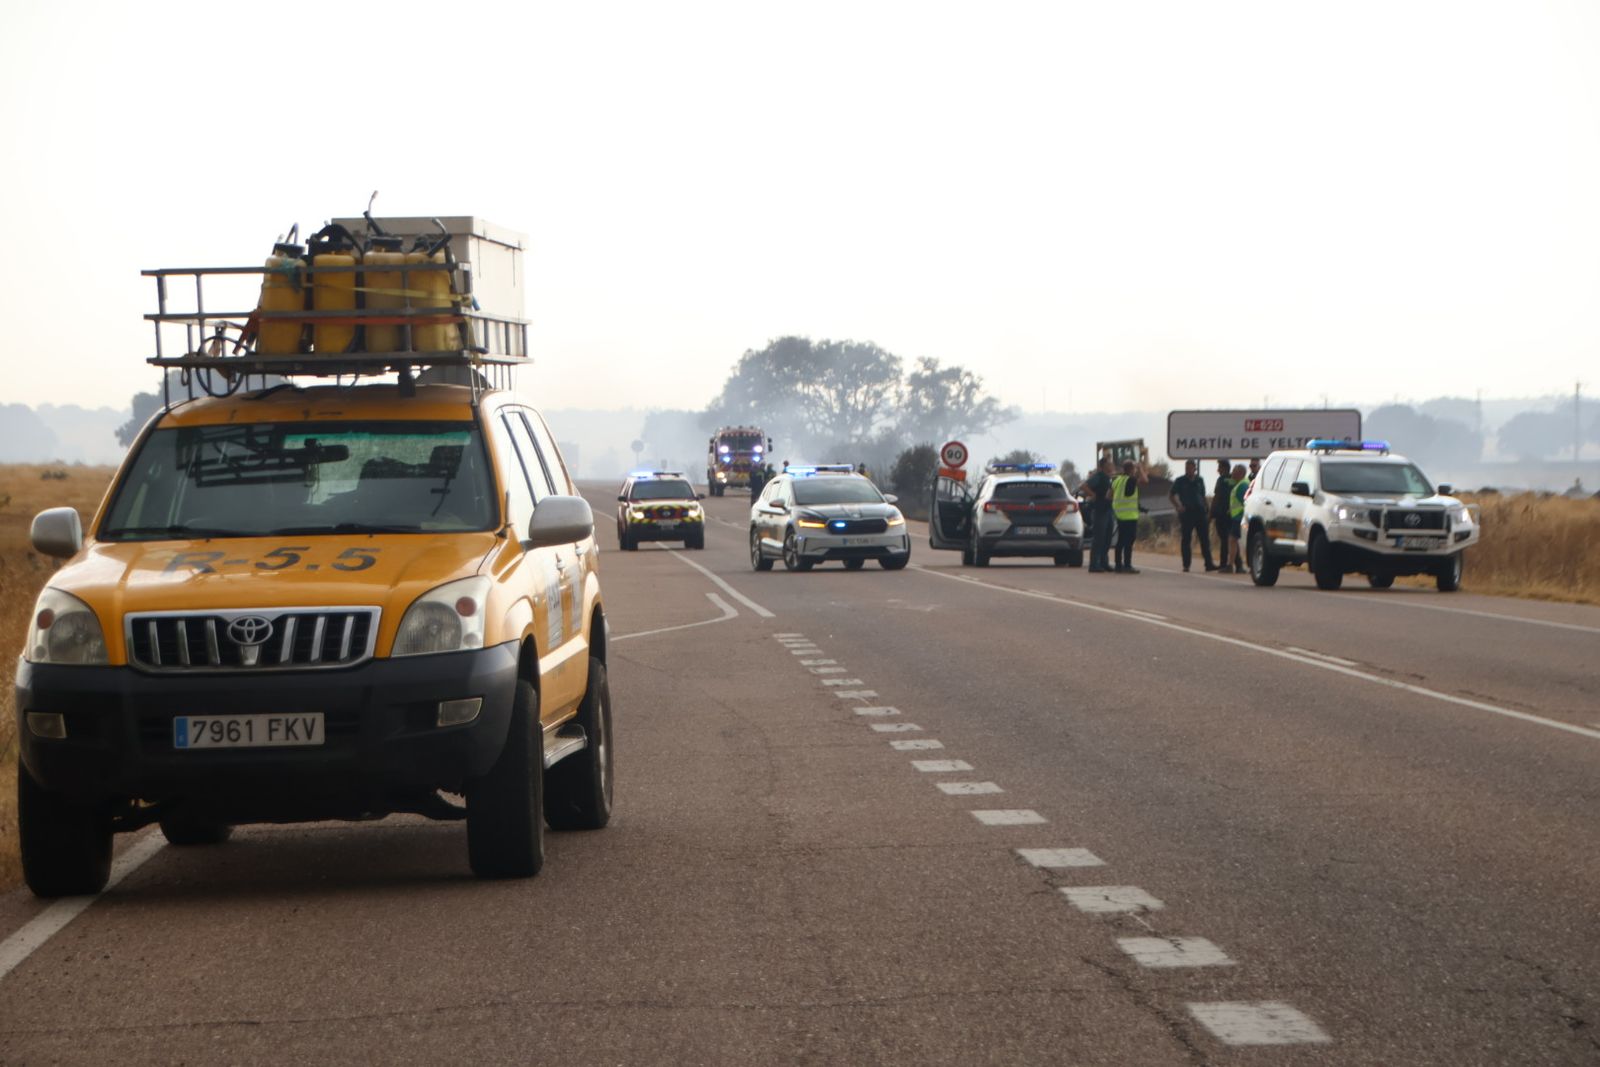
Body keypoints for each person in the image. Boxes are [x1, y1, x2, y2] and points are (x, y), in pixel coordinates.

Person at [1167, 459, 1216, 572]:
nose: (1188, 470)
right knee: (1186, 540)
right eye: (1186, 468)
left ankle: (1209, 564)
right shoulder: (1180, 481)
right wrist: (1178, 506)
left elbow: (1203, 495)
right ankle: (1186, 565)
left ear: (1195, 468)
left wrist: (1207, 508)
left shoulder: (1199, 480)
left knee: (1204, 539)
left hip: (1200, 513)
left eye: (1190, 468)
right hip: (1187, 513)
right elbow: (1171, 495)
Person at [1110, 450, 1150, 573]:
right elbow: (1145, 481)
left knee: (1120, 541)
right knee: (1129, 541)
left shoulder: (1117, 480)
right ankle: (1127, 565)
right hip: (1130, 516)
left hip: (1119, 515)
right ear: (1131, 469)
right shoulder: (1131, 480)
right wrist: (1141, 468)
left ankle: (1118, 565)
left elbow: (1108, 495)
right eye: (1134, 469)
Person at [1081, 455, 1115, 573]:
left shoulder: (1108, 477)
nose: (1111, 465)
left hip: (1108, 509)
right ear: (1104, 465)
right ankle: (1094, 564)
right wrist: (1093, 495)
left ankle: (1104, 562)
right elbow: (1084, 486)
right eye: (1109, 463)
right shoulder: (1099, 476)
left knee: (1107, 538)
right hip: (1100, 511)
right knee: (1099, 538)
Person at [1211, 461, 1235, 573]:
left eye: (1219, 467)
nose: (1218, 470)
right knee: (1232, 539)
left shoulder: (1221, 480)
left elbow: (1217, 496)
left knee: (1225, 540)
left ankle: (1223, 564)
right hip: (1232, 514)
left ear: (1225, 468)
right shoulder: (1234, 479)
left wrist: (1211, 513)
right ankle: (1237, 564)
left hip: (1221, 514)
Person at [1227, 463, 1249, 572]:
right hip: (1237, 517)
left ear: (1240, 473)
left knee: (1233, 540)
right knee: (1234, 540)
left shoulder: (1242, 485)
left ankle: (1231, 565)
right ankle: (1236, 565)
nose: (1232, 473)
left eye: (1234, 470)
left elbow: (1246, 502)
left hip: (1239, 517)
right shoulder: (1240, 483)